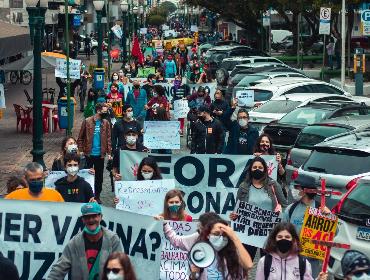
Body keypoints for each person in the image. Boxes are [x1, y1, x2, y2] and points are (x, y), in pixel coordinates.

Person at [164, 212, 253, 280]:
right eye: (216, 234)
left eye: (224, 234)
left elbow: (248, 265)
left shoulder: (234, 248)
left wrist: (234, 237)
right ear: (207, 233)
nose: (220, 237)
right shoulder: (198, 244)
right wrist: (194, 274)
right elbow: (176, 240)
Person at [230, 157, 288, 260]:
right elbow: (237, 208)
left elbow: (284, 204)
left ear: (265, 169)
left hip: (268, 233)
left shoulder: (273, 185)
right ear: (250, 169)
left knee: (268, 265)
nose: (257, 169)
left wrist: (280, 217)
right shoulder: (243, 186)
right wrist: (234, 216)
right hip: (248, 233)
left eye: (260, 167)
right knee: (245, 263)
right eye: (255, 167)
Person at [47, 202, 123, 280]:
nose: (91, 220)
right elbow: (59, 269)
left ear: (101, 217)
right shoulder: (74, 243)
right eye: (87, 217)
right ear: (83, 219)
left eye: (94, 216)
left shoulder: (112, 240)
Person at [282, 174, 330, 278]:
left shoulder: (321, 210)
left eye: (296, 187)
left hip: (312, 263)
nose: (293, 190)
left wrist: (329, 216)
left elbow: (334, 232)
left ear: (305, 190)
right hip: (291, 260)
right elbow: (281, 231)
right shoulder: (291, 209)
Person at [77, 103, 112, 203]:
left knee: (99, 177)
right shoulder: (87, 121)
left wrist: (109, 152)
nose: (106, 113)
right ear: (98, 111)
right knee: (87, 174)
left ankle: (97, 195)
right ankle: (87, 194)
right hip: (88, 154)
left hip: (100, 155)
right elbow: (80, 137)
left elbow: (108, 138)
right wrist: (80, 150)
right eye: (104, 111)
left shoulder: (106, 123)